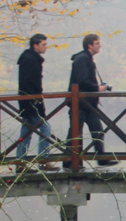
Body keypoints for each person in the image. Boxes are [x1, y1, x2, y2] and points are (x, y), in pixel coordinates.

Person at [68, 32, 118, 165]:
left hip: (88, 103)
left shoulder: (87, 59)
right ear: (89, 45)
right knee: (75, 133)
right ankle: (71, 162)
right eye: (97, 43)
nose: (100, 46)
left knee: (97, 130)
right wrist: (98, 88)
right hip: (80, 103)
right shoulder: (82, 59)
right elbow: (82, 81)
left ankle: (101, 158)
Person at [11, 33, 57, 167]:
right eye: (43, 45)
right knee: (45, 128)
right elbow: (27, 82)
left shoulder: (30, 58)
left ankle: (21, 162)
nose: (46, 47)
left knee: (26, 131)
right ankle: (43, 160)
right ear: (35, 45)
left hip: (29, 101)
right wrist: (34, 99)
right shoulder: (30, 60)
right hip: (31, 102)